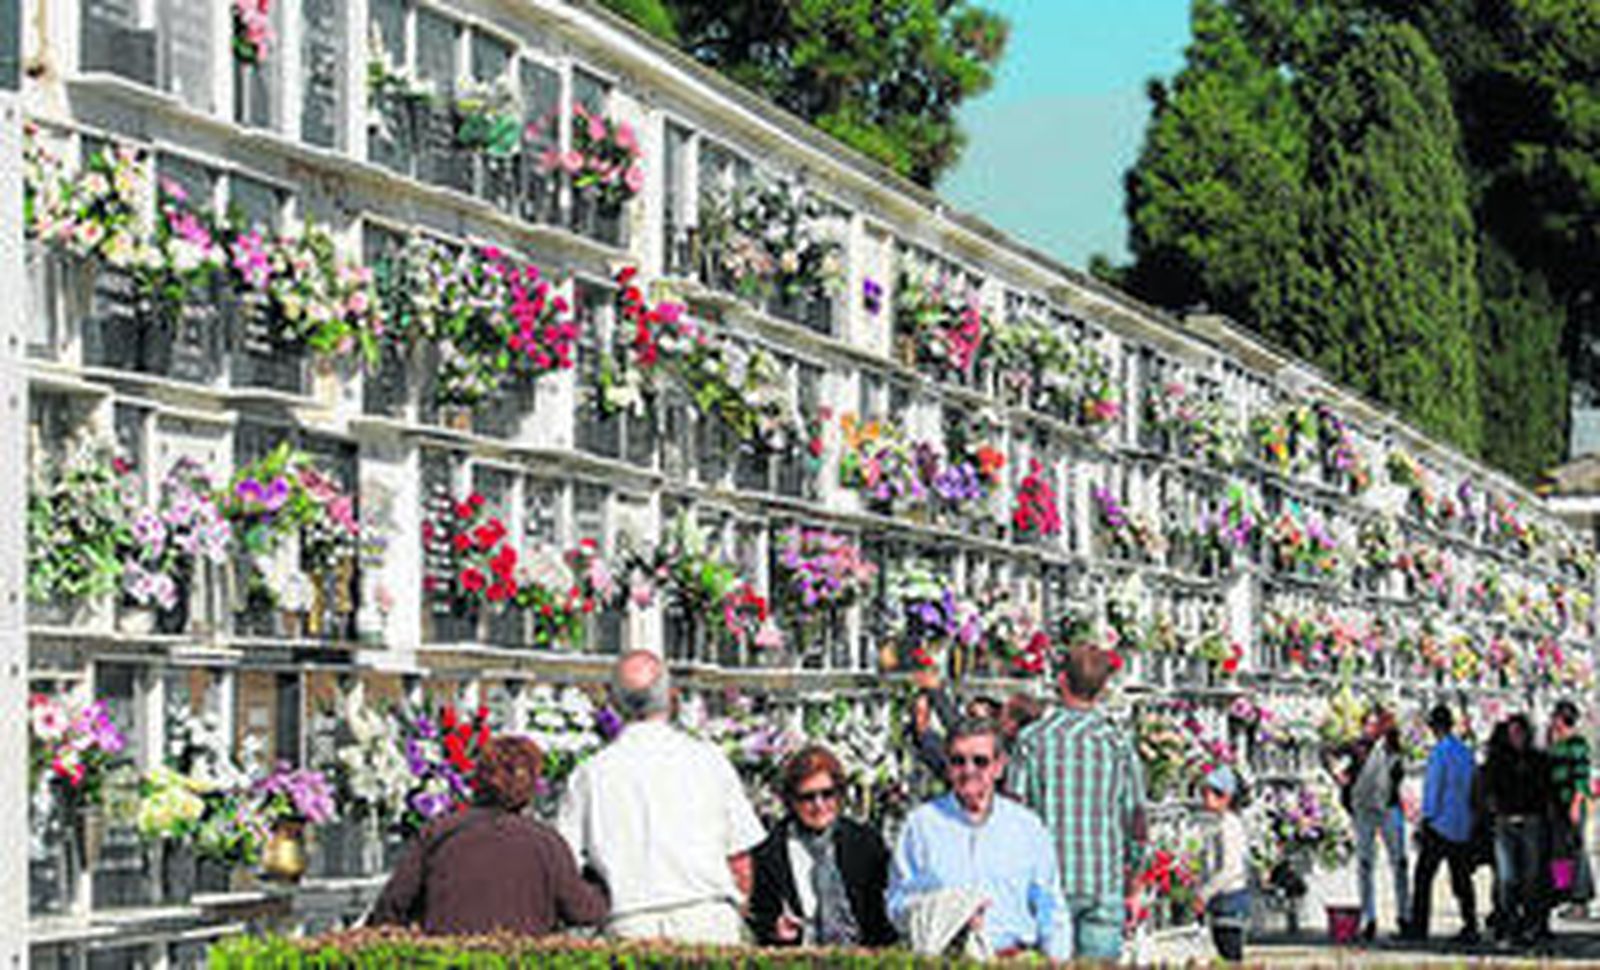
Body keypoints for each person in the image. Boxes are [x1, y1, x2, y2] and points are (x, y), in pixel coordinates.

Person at [557, 650, 766, 943]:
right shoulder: (708, 760)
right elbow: (740, 858)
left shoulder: (590, 774)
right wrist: (738, 908)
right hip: (706, 918)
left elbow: (566, 863)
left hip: (631, 921)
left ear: (612, 701)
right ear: (672, 696)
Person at [370, 736, 608, 935]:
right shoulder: (545, 843)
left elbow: (390, 909)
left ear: (478, 779)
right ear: (532, 786)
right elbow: (584, 911)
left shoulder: (439, 833)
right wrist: (601, 879)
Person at [887, 719, 1069, 959]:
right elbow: (897, 902)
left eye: (980, 761)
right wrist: (943, 909)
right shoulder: (920, 826)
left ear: (999, 766)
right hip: (945, 959)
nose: (969, 770)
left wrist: (1058, 961)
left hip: (1012, 959)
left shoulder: (1028, 828)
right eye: (958, 761)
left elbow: (1051, 909)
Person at [1009, 644, 1147, 960]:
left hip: (1046, 882)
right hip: (1102, 881)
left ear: (1061, 681)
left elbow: (1015, 814)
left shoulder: (1033, 740)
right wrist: (1135, 883)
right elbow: (1136, 820)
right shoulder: (1117, 743)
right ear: (1102, 689)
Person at [748, 745, 897, 947]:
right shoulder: (770, 853)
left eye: (827, 794)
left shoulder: (865, 843)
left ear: (840, 793)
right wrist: (775, 929)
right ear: (791, 800)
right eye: (807, 797)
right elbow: (759, 917)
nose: (819, 805)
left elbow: (884, 916)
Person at [1325, 705, 1409, 940]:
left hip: (1389, 808)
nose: (1369, 729)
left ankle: (1404, 915)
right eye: (1367, 724)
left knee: (1399, 863)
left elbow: (1398, 771)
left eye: (1374, 724)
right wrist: (1338, 776)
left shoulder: (1391, 745)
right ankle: (1369, 917)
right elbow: (1328, 752)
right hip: (1364, 810)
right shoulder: (1356, 746)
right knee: (1365, 864)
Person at [1409, 705, 1478, 943]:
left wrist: (1426, 818)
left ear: (1434, 727)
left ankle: (1419, 926)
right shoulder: (1465, 752)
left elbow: (1434, 787)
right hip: (1462, 821)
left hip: (1439, 823)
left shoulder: (1440, 752)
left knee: (1423, 877)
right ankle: (1470, 923)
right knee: (1461, 877)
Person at [1482, 713, 1551, 946]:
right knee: (1506, 878)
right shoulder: (1498, 760)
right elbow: (1488, 789)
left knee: (1532, 877)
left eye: (1519, 732)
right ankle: (1509, 925)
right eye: (1512, 733)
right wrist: (1495, 809)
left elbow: (1545, 791)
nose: (1516, 737)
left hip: (1531, 821)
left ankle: (1531, 924)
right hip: (1505, 822)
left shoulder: (1538, 759)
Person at [1198, 766, 1249, 963]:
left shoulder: (1230, 826)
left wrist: (1204, 893)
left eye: (1208, 793)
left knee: (1230, 954)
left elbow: (1230, 869)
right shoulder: (1221, 823)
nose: (1204, 798)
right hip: (1223, 899)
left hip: (1229, 899)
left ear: (1225, 797)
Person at [1547, 701, 1592, 917]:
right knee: (1559, 851)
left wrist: (1575, 804)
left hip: (1570, 803)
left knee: (1576, 850)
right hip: (1556, 805)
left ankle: (1580, 899)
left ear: (1561, 719)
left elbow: (1581, 778)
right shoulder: (1556, 744)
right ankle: (1562, 894)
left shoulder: (1577, 743)